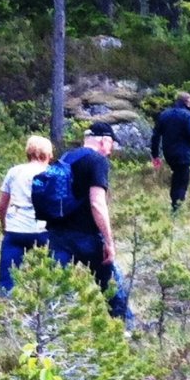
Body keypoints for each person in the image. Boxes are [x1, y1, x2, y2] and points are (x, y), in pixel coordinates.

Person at [46, 122, 133, 323]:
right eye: (111, 143)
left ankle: (51, 331)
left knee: (55, 291)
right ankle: (125, 328)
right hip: (86, 235)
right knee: (112, 286)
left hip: (57, 233)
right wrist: (109, 242)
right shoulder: (97, 161)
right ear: (104, 140)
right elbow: (97, 203)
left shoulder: (67, 157)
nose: (111, 150)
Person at [0, 136, 53, 295]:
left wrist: (5, 227)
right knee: (51, 278)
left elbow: (1, 207)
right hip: (44, 232)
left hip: (16, 231)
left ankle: (3, 310)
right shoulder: (52, 173)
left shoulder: (13, 172)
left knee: (6, 280)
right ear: (47, 154)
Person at [149, 92, 190, 212]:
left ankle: (174, 203)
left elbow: (155, 136)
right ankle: (177, 207)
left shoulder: (164, 114)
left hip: (169, 153)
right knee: (183, 178)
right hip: (183, 153)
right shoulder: (188, 115)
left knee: (176, 175)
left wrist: (155, 155)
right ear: (187, 101)